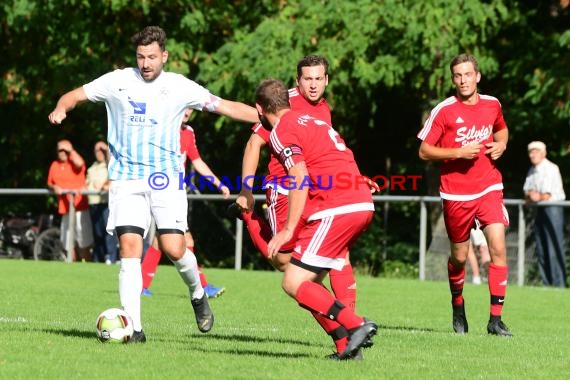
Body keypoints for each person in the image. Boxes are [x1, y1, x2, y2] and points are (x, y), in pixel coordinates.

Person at [47, 25, 259, 343]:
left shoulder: (179, 87)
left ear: (164, 56)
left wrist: (268, 117)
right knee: (129, 248)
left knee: (175, 248)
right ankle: (134, 328)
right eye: (141, 56)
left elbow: (225, 106)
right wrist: (61, 107)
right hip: (125, 179)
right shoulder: (116, 81)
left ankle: (198, 293)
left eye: (152, 57)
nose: (146, 63)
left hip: (165, 180)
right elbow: (74, 95)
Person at [231, 56, 368, 356]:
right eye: (308, 79)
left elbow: (321, 157)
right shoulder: (282, 105)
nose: (314, 84)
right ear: (297, 81)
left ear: (327, 80)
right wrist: (246, 189)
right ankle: (349, 336)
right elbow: (255, 144)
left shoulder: (324, 110)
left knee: (307, 267)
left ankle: (350, 333)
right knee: (298, 267)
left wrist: (349, 179)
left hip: (318, 193)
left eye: (319, 78)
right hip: (285, 192)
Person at [417, 53, 512, 336]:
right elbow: (424, 151)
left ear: (477, 76)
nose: (463, 80)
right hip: (456, 194)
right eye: (458, 75)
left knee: (498, 246)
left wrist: (502, 145)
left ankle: (495, 320)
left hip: (489, 186)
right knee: (460, 257)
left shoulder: (492, 104)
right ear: (453, 79)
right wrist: (458, 152)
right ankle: (457, 305)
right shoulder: (444, 110)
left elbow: (502, 129)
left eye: (468, 74)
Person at [141, 108, 228, 298]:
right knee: (186, 240)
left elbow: (197, 161)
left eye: (191, 108)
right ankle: (202, 286)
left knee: (160, 241)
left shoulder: (188, 132)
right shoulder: (162, 130)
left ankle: (141, 284)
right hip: (164, 191)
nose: (187, 112)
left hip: (177, 192)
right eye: (184, 107)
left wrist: (218, 183)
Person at [523, 141, 567, 287]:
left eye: (536, 151)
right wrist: (532, 195)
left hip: (553, 209)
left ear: (543, 153)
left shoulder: (551, 168)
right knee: (541, 247)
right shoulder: (531, 170)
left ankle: (558, 284)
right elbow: (527, 193)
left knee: (553, 247)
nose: (532, 154)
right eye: (531, 152)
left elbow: (544, 195)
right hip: (539, 210)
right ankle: (547, 284)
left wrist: (534, 196)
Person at [47, 139, 94, 262]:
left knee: (84, 241)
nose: (62, 153)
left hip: (80, 207)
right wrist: (54, 187)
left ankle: (87, 266)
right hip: (65, 209)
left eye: (64, 150)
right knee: (68, 242)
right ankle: (73, 266)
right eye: (60, 150)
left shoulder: (74, 162)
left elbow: (80, 162)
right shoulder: (55, 165)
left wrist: (70, 149)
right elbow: (50, 183)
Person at [86, 141, 118, 265]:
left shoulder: (110, 165)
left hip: (106, 203)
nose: (98, 153)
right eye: (96, 150)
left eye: (101, 151)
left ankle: (111, 256)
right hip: (93, 202)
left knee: (108, 231)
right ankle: (99, 257)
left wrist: (106, 150)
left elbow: (113, 176)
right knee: (98, 233)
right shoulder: (92, 168)